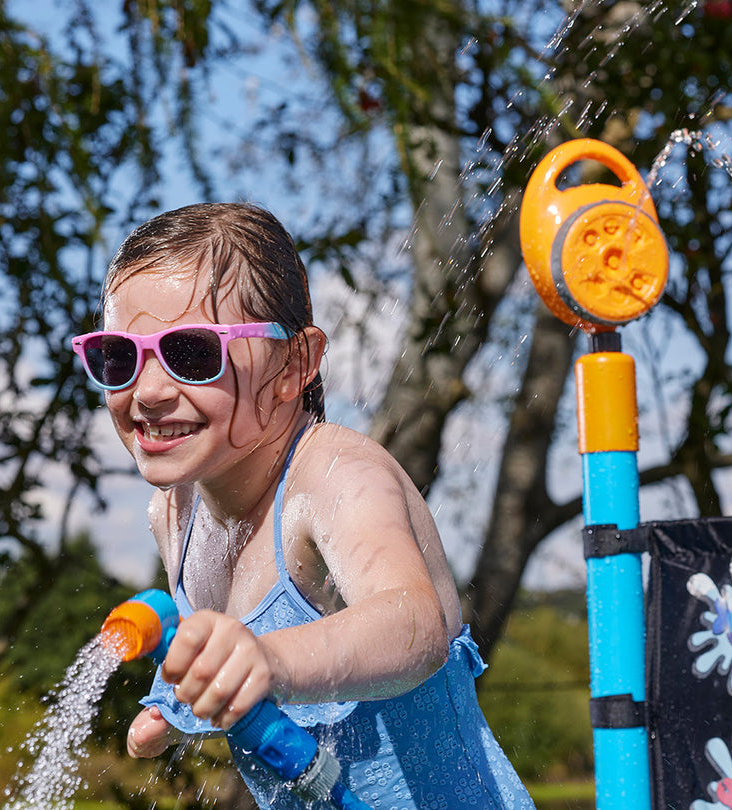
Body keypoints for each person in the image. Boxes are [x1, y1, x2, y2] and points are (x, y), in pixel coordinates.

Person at [73, 202, 533, 809]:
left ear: (295, 364)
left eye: (191, 354)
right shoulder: (175, 511)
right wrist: (171, 699)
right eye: (119, 357)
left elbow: (414, 624)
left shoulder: (337, 477)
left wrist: (267, 659)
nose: (150, 391)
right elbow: (212, 651)